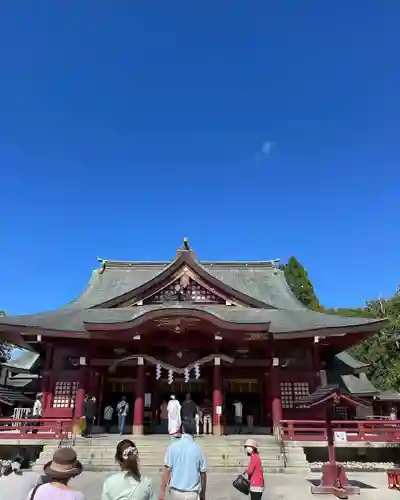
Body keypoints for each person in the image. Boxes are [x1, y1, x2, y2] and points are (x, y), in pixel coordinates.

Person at [159, 419, 206, 500]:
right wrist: (203, 492)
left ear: (182, 429)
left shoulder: (172, 447)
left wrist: (162, 490)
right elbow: (203, 474)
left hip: (175, 492)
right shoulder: (198, 450)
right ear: (194, 431)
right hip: (192, 493)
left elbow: (167, 470)